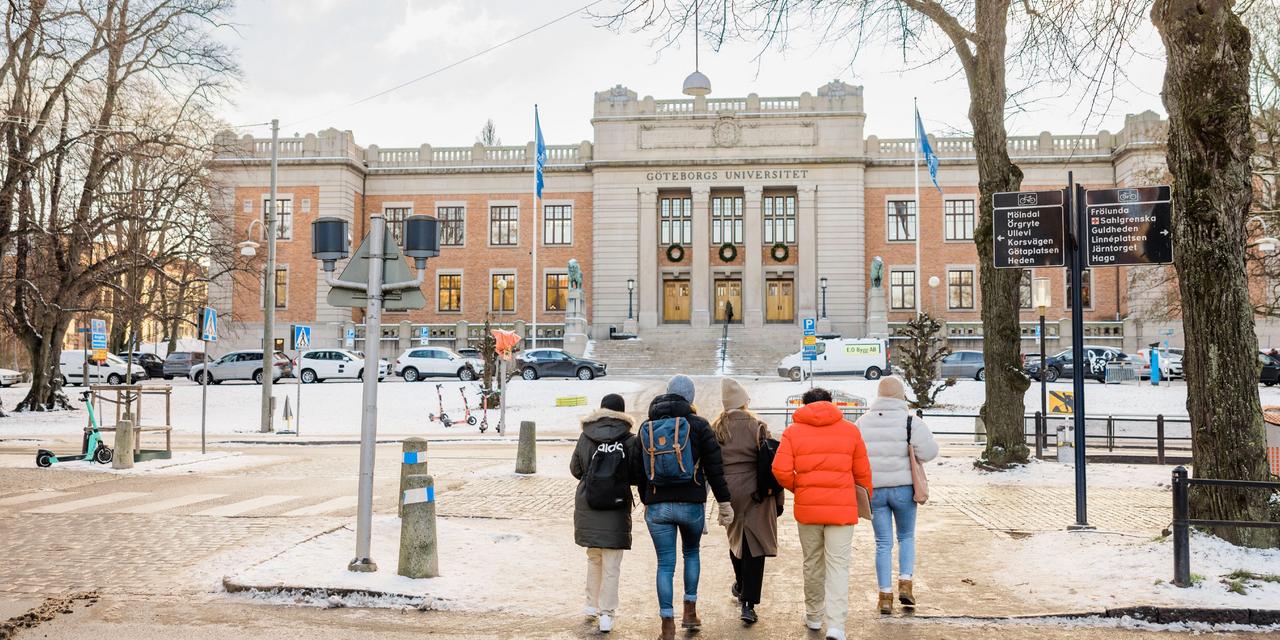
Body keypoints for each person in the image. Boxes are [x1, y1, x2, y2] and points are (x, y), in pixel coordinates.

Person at [772, 387, 873, 640]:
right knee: (838, 565)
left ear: (804, 405)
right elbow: (863, 473)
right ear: (831, 403)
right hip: (842, 509)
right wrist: (861, 499)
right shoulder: (850, 430)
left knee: (813, 563)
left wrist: (801, 488)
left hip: (808, 510)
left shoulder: (793, 432)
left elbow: (780, 470)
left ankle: (814, 616)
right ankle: (837, 625)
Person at [638, 374, 733, 640]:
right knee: (691, 553)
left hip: (657, 506)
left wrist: (648, 499)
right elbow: (715, 470)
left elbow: (637, 470)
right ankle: (690, 613)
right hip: (691, 503)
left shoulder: (648, 425)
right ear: (691, 398)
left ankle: (667, 626)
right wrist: (724, 503)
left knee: (664, 565)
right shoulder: (700, 426)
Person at [857, 376, 939, 614]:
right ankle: (906, 584)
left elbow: (856, 454)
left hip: (875, 490)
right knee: (906, 537)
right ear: (901, 395)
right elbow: (930, 452)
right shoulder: (910, 422)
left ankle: (884, 596)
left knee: (883, 543)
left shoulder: (863, 422)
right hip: (904, 488)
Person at [709, 377, 784, 625]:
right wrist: (779, 499)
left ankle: (741, 585)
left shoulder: (717, 428)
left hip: (728, 492)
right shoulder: (758, 426)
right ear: (743, 402)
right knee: (755, 545)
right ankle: (748, 603)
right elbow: (773, 462)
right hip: (757, 491)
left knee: (736, 539)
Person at [569, 393, 641, 633]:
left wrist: (594, 481)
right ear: (622, 413)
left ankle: (591, 606)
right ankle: (607, 615)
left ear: (600, 410)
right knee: (612, 564)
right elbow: (635, 473)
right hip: (616, 508)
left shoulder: (586, 435)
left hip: (589, 505)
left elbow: (575, 469)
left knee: (594, 558)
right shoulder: (629, 439)